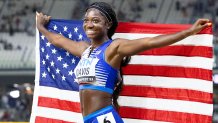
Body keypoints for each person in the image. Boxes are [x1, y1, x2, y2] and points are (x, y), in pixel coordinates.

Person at [36, 2, 211, 123]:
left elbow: (149, 42)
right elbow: (58, 40)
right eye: (87, 20)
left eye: (95, 21)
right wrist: (41, 27)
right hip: (89, 119)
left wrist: (189, 32)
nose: (89, 24)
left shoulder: (114, 48)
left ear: (108, 24)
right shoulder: (84, 50)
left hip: (104, 116)